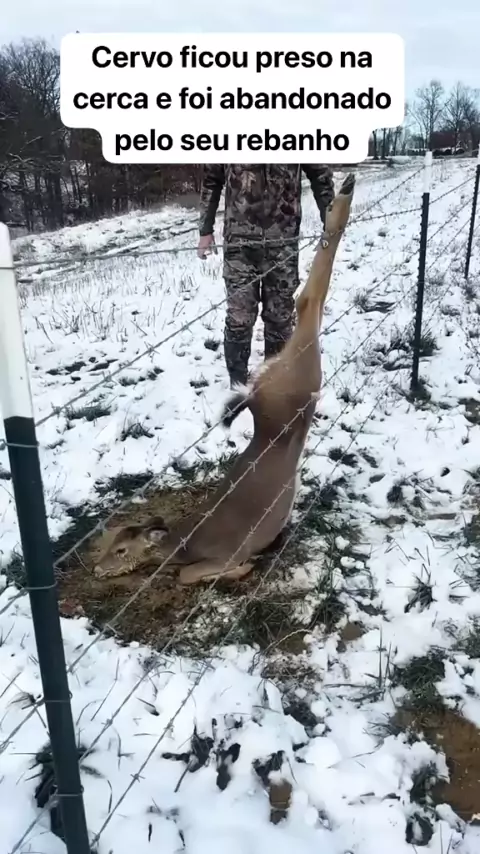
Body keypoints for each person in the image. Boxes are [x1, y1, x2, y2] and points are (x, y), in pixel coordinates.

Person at [197, 163, 335, 387]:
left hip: (283, 241)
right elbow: (212, 178)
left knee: (280, 318)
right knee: (239, 318)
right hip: (239, 244)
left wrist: (331, 220)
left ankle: (274, 386)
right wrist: (205, 229)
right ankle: (238, 388)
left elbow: (319, 172)